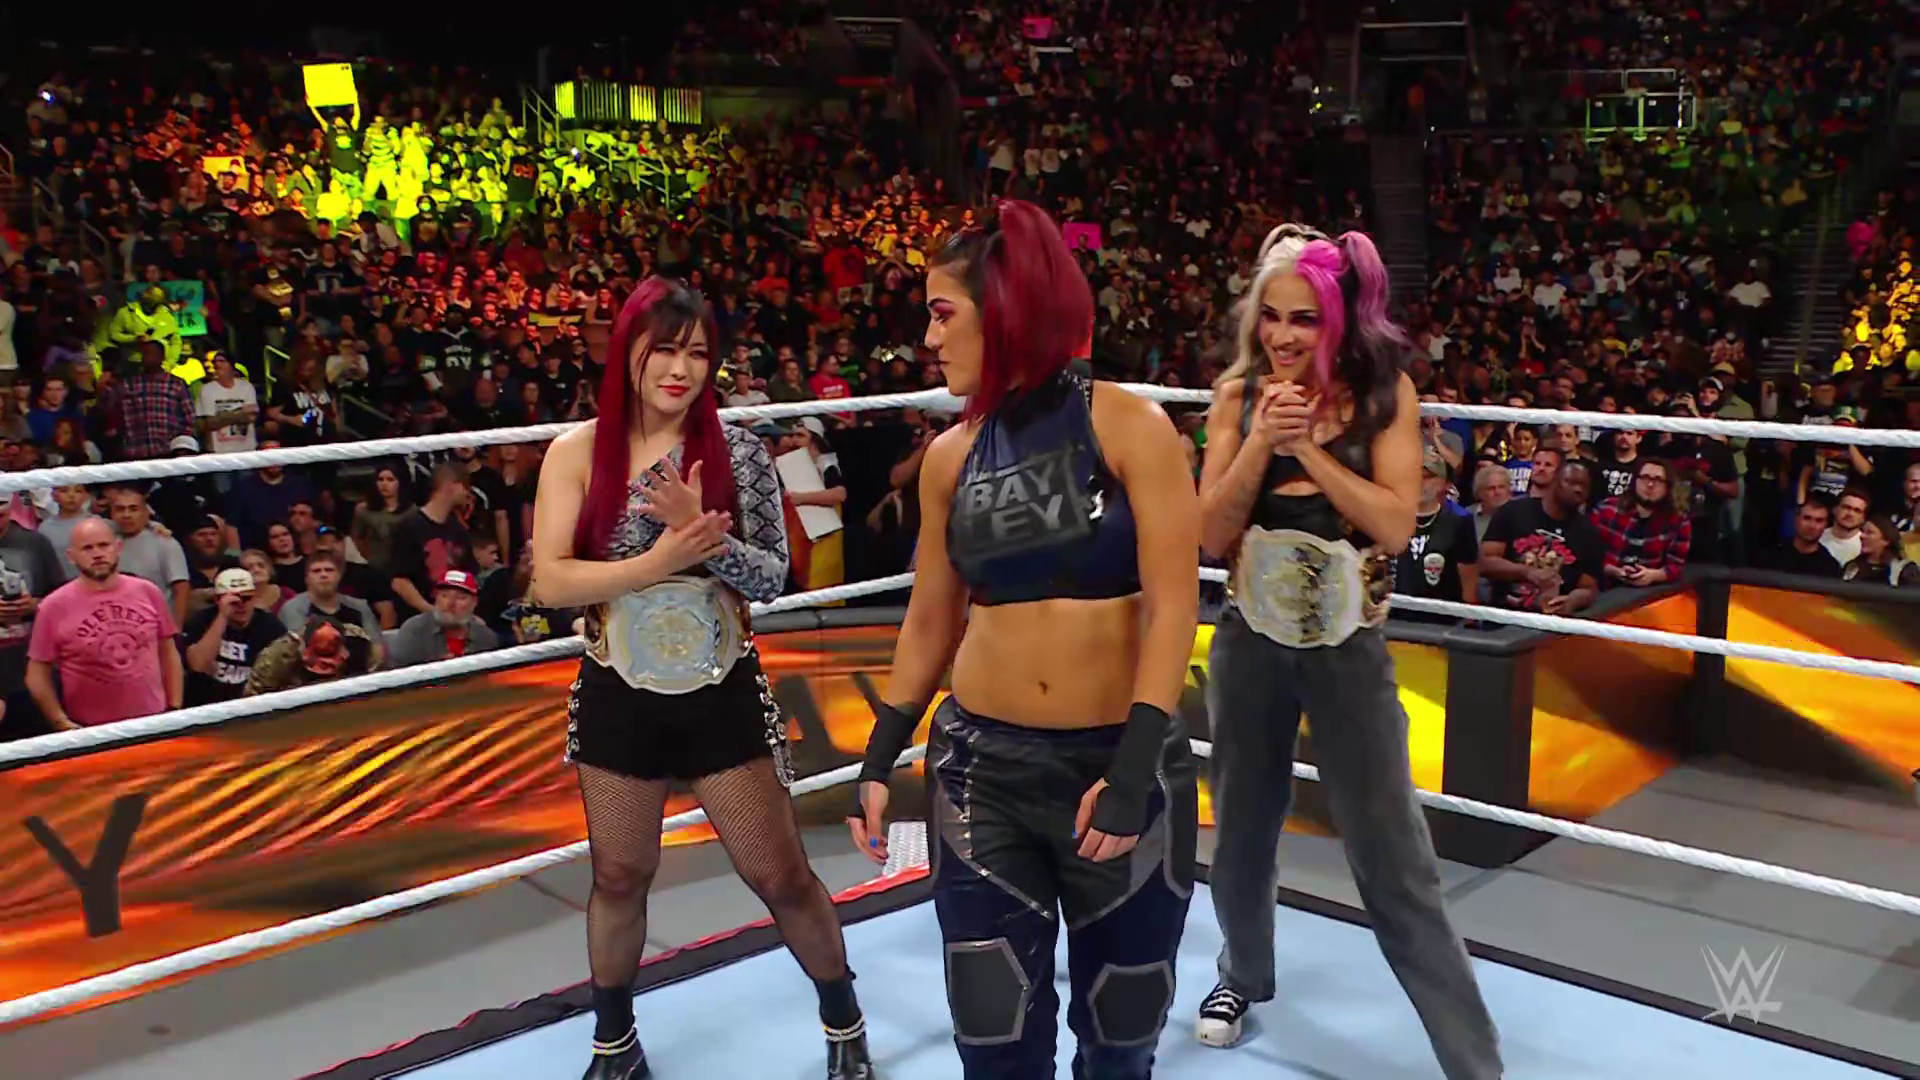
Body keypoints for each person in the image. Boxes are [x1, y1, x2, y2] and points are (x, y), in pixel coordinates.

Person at [849, 200, 1201, 1080]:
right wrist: (879, 758)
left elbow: (1173, 607)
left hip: (1117, 760)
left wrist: (1132, 773)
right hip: (982, 773)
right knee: (993, 1033)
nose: (929, 339)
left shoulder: (1131, 425)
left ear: (1004, 308)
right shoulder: (948, 456)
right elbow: (931, 617)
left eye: (943, 313)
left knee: (1122, 1034)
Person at [530, 277, 875, 1080]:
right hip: (618, 687)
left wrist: (697, 529)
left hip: (720, 687)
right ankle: (614, 1045)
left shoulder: (740, 450)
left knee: (778, 873)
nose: (681, 369)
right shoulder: (577, 452)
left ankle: (844, 1021)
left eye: (697, 353)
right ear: (629, 353)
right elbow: (549, 582)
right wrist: (658, 559)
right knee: (619, 874)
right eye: (665, 350)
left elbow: (773, 577)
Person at [1192, 224, 1503, 1080]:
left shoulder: (1383, 394)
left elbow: (1396, 525)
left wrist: (1307, 451)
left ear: (1337, 321)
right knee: (1241, 834)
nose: (1283, 336)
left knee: (1394, 856)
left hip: (1349, 651)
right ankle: (1241, 976)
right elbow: (1209, 533)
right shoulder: (1236, 396)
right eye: (1271, 317)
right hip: (1249, 644)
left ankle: (1473, 1061)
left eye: (1304, 319)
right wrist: (1263, 439)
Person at [26, 517, 183, 729]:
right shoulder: (53, 607)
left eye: (103, 545)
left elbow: (168, 653)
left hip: (154, 723)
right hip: (91, 730)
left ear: (118, 548)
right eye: (87, 548)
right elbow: (36, 675)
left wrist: (174, 708)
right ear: (71, 556)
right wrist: (60, 721)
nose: (98, 554)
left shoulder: (148, 591)